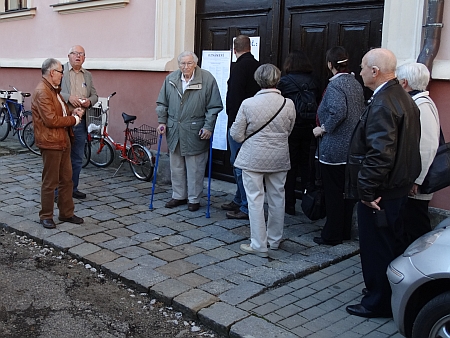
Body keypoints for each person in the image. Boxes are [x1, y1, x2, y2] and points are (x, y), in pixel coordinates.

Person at [345, 48, 421, 318]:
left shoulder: (383, 102)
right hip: (394, 189)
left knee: (377, 248)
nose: (360, 71)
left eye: (363, 66)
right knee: (390, 245)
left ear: (375, 71)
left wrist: (366, 190)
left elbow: (380, 153)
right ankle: (385, 295)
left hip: (380, 193)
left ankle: (377, 302)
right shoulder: (401, 96)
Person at [231, 64, 296, 257]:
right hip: (279, 156)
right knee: (278, 198)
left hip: (253, 157)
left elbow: (236, 134)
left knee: (255, 199)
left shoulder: (248, 104)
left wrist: (248, 139)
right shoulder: (288, 103)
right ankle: (274, 240)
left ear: (258, 80)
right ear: (277, 79)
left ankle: (259, 244)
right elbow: (289, 130)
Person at [156, 51, 223, 212]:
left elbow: (214, 106)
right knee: (176, 166)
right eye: (182, 64)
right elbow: (162, 103)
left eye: (189, 63)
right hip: (174, 130)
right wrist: (162, 121)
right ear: (178, 65)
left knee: (195, 167)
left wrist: (208, 126)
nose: (185, 67)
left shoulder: (207, 79)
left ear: (195, 64)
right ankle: (179, 195)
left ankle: (194, 199)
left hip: (195, 130)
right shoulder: (171, 79)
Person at [312, 47, 365, 245]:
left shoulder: (335, 86)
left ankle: (332, 234)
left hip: (335, 148)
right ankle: (344, 231)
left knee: (333, 193)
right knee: (346, 193)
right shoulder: (355, 83)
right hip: (352, 147)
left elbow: (338, 111)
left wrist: (323, 129)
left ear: (330, 64)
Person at [32, 58, 86, 229]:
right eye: (61, 72)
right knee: (50, 181)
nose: (63, 75)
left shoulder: (53, 90)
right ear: (52, 72)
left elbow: (59, 111)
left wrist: (71, 110)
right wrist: (74, 119)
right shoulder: (42, 91)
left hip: (62, 140)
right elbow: (51, 120)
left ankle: (66, 213)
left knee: (67, 180)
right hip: (51, 143)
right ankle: (46, 216)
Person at [397, 62, 440, 245]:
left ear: (405, 82)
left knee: (417, 226)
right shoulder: (417, 103)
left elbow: (427, 145)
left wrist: (417, 180)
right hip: (414, 179)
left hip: (416, 184)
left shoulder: (421, 106)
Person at [221, 35, 260, 220]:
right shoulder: (258, 65)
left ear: (234, 50)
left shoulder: (238, 67)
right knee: (241, 165)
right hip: (255, 124)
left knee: (239, 166)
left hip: (239, 124)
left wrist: (233, 123)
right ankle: (238, 199)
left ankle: (244, 206)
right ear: (250, 48)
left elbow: (234, 97)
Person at [277, 50, 320, 215]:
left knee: (290, 166)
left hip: (292, 127)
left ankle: (289, 204)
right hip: (310, 128)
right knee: (307, 166)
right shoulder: (315, 80)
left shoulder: (284, 82)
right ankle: (309, 202)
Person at [60, 45, 98, 200]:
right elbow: (52, 92)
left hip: (80, 122)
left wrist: (90, 101)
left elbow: (95, 94)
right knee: (62, 158)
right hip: (63, 121)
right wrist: (69, 97)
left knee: (77, 157)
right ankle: (58, 191)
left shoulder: (87, 75)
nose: (78, 56)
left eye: (81, 54)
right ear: (69, 55)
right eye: (75, 53)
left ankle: (72, 188)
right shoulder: (59, 70)